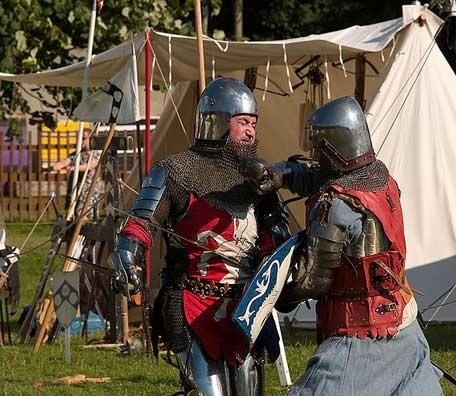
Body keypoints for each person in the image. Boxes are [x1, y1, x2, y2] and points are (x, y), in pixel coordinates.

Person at [110, 77, 290, 395]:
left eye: (254, 123)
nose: (251, 131)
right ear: (219, 123)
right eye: (243, 122)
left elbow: (275, 241)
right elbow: (142, 221)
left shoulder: (259, 181)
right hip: (192, 303)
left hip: (244, 310)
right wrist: (127, 251)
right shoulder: (174, 172)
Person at [261, 96, 443, 395]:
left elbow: (312, 280)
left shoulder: (336, 204)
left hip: (360, 333)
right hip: (403, 320)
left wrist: (278, 294)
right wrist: (281, 174)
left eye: (320, 149)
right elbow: (318, 175)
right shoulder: (381, 178)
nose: (316, 156)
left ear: (334, 147)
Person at [52, 130, 101, 219]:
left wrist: (73, 168)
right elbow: (65, 162)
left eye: (84, 138)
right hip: (76, 190)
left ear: (90, 139)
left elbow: (90, 165)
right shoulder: (77, 154)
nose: (81, 141)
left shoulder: (96, 153)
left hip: (89, 190)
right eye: (79, 139)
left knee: (83, 214)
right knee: (73, 214)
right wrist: (55, 167)